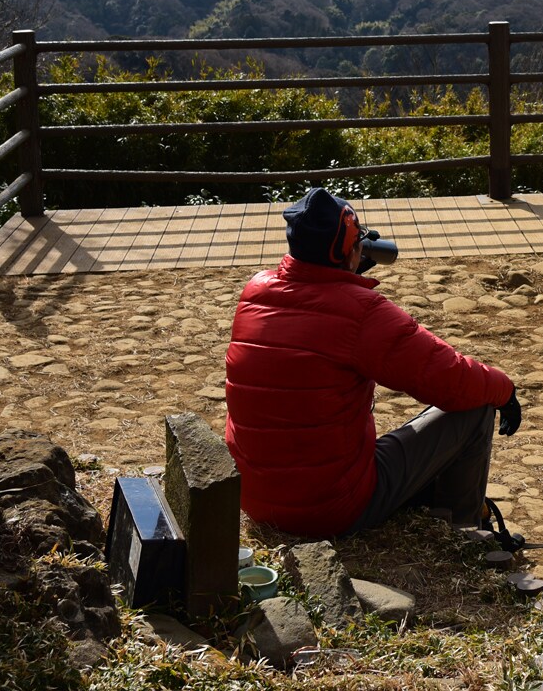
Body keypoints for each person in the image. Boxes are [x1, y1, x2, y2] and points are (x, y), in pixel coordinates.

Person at [224, 187, 522, 537]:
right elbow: (450, 378)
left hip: (257, 499)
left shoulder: (255, 290)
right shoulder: (361, 312)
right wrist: (504, 391)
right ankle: (465, 530)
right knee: (477, 405)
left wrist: (344, 273)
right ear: (348, 250)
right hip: (330, 509)